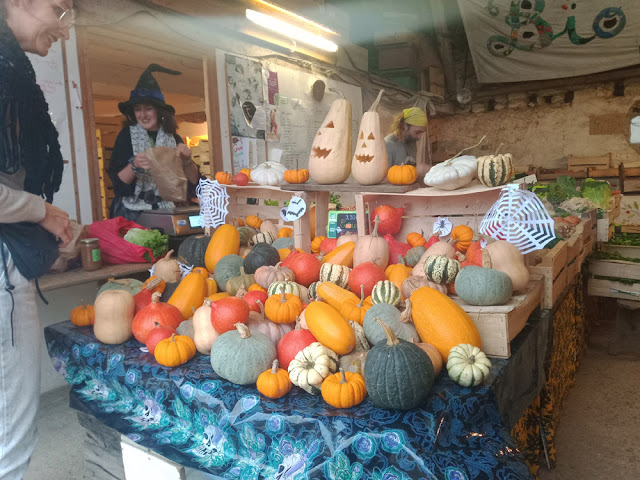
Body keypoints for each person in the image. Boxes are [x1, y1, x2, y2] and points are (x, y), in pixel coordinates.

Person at [0, 1, 74, 478]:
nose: (65, 28)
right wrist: (40, 211)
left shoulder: (14, 69)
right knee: (11, 419)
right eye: (59, 7)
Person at [108, 64, 201, 221]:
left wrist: (187, 161)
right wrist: (134, 165)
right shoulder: (125, 137)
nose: (143, 115)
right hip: (131, 214)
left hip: (166, 212)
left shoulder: (173, 138)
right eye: (138, 109)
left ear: (158, 110)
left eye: (148, 109)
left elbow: (194, 183)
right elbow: (118, 186)